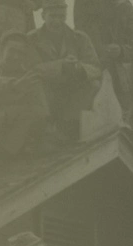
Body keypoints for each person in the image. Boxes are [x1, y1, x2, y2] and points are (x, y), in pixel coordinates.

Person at [28, 0, 103, 146]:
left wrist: (79, 68)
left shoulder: (80, 38)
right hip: (45, 93)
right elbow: (30, 68)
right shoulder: (31, 38)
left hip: (71, 92)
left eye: (61, 16)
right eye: (53, 16)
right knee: (32, 82)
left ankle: (69, 126)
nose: (57, 21)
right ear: (43, 16)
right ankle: (46, 129)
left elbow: (95, 67)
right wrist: (60, 65)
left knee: (94, 84)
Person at [0, 32, 51, 160]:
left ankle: (6, 152)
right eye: (11, 51)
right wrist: (14, 85)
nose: (15, 57)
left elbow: (43, 111)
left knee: (34, 112)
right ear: (2, 50)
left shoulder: (27, 75)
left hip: (13, 131)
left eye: (21, 53)